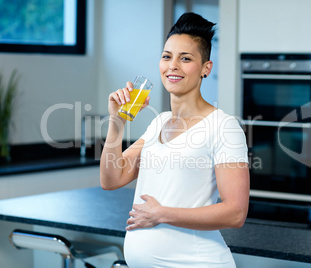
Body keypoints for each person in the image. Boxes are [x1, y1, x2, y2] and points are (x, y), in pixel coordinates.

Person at [100, 12, 250, 268]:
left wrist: (162, 214)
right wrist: (117, 123)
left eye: (186, 58)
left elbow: (235, 213)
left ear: (206, 68)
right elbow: (112, 179)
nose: (173, 66)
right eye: (167, 56)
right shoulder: (159, 123)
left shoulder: (223, 126)